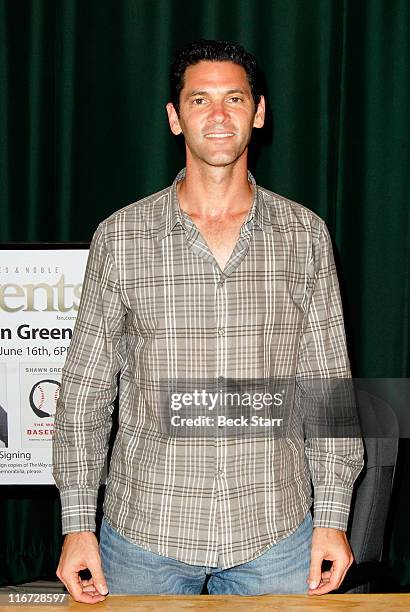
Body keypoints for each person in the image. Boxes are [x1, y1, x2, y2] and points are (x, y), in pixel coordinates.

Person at [52, 40, 364, 603]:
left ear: (259, 112)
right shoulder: (120, 239)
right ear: (175, 118)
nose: (218, 116)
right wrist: (77, 524)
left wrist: (334, 515)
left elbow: (329, 390)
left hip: (275, 533)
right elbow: (85, 394)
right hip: (145, 532)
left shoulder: (305, 236)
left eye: (234, 99)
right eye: (200, 100)